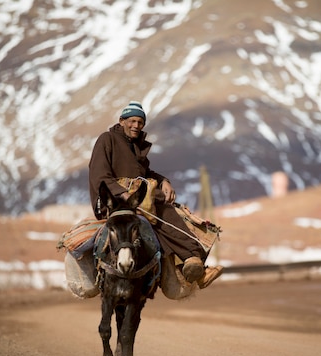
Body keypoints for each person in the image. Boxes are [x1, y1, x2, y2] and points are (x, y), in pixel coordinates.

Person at [88, 101, 223, 289]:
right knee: (164, 211)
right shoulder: (107, 139)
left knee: (173, 212)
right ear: (121, 121)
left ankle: (189, 265)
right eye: (132, 121)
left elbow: (145, 174)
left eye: (140, 122)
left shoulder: (135, 146)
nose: (136, 126)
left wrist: (163, 181)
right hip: (112, 200)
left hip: (133, 197)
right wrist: (123, 195)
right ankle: (192, 258)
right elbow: (99, 175)